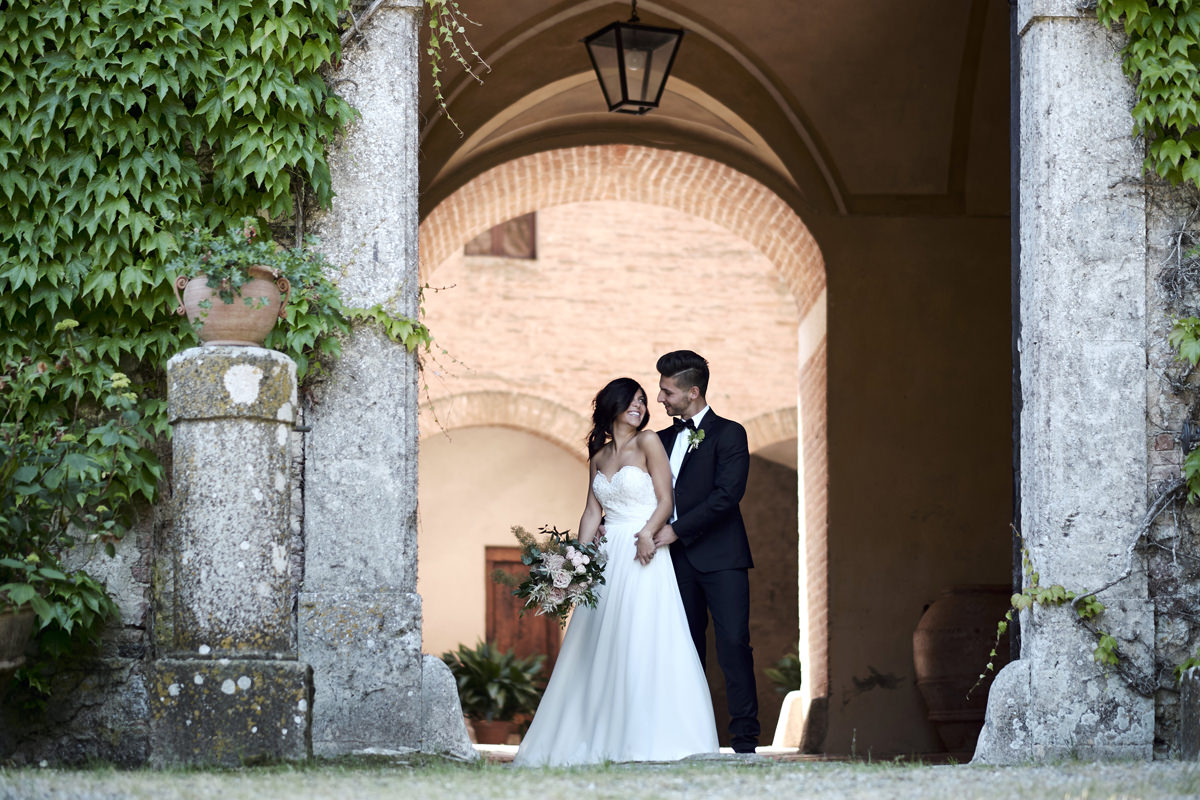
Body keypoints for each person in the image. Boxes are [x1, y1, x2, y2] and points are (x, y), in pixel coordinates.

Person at [513, 378, 718, 766]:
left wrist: (647, 533)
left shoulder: (649, 442)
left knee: (642, 636)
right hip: (607, 559)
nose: (640, 406)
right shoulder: (599, 456)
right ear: (613, 406)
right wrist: (577, 559)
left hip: (644, 552)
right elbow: (592, 512)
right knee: (598, 643)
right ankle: (595, 734)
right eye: (632, 401)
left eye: (643, 400)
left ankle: (650, 737)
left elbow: (665, 498)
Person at [652, 350, 761, 754]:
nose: (660, 399)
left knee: (733, 644)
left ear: (693, 392)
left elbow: (726, 496)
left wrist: (675, 531)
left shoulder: (730, 433)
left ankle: (745, 740)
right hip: (672, 563)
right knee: (682, 648)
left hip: (722, 559)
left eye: (667, 392)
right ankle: (688, 738)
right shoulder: (660, 440)